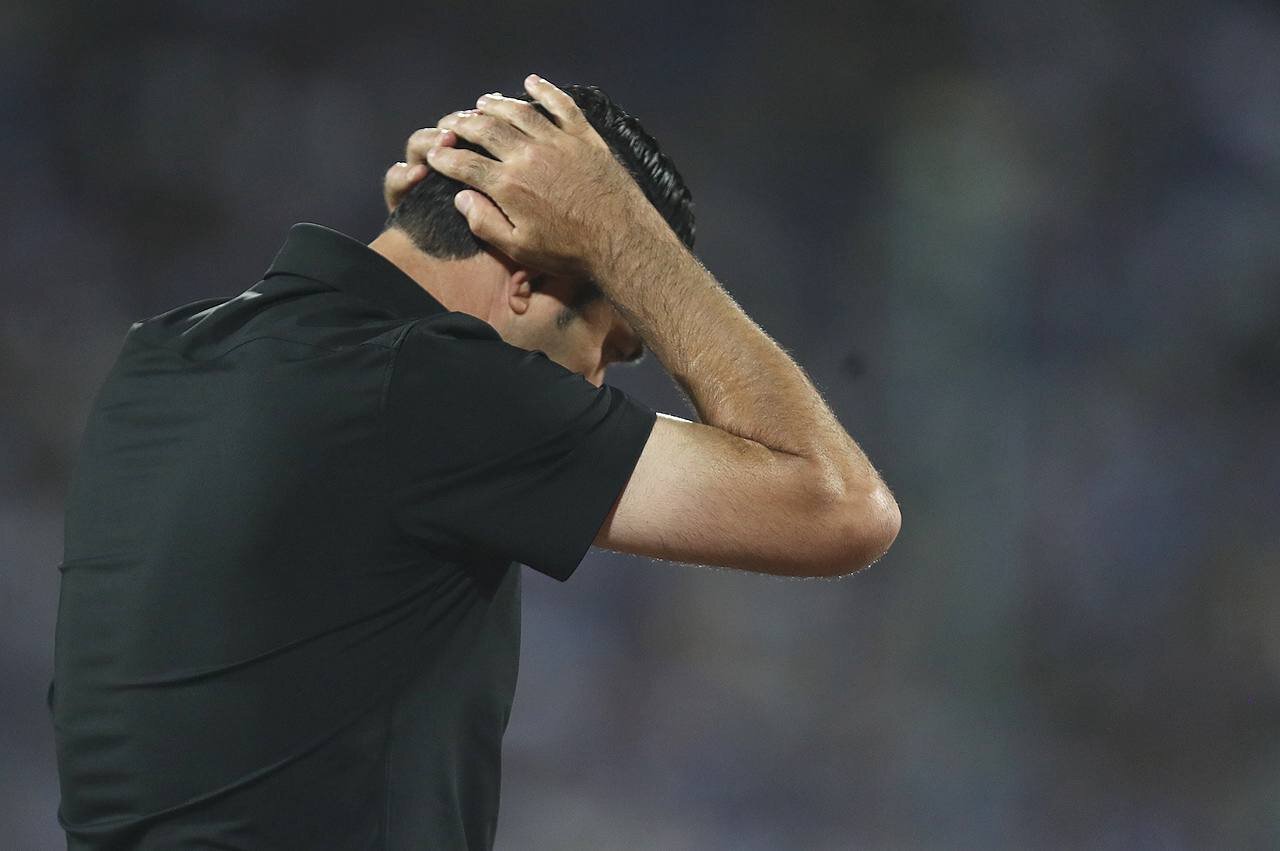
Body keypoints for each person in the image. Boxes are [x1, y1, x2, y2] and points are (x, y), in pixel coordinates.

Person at [49, 74, 900, 850]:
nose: (594, 384)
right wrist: (621, 235)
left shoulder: (166, 355)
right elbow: (838, 507)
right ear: (527, 275)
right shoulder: (422, 384)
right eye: (608, 346)